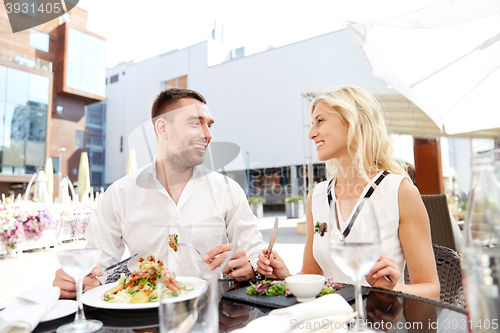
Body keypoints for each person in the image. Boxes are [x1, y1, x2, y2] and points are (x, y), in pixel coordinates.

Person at [54, 88, 267, 298]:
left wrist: (251, 269)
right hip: (141, 317)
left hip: (212, 315)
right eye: (195, 123)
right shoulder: (120, 193)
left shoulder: (228, 190)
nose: (207, 134)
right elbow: (99, 267)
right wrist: (77, 281)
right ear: (162, 128)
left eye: (208, 125)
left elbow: (257, 257)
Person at [256, 86, 440, 300]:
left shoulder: (400, 191)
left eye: (320, 121)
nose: (311, 133)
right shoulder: (316, 197)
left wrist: (390, 288)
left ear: (355, 120)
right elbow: (312, 275)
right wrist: (285, 276)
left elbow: (431, 290)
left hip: (381, 323)